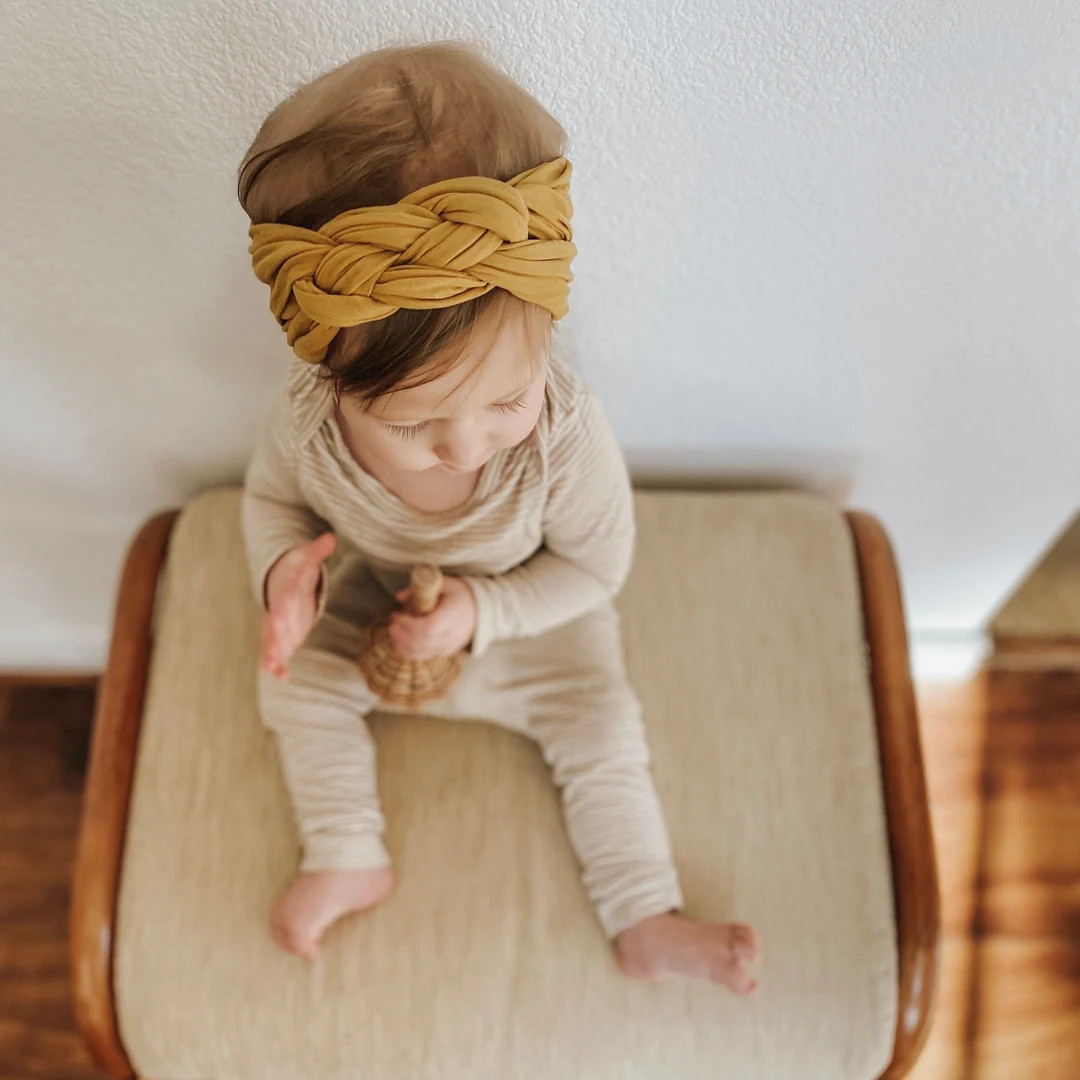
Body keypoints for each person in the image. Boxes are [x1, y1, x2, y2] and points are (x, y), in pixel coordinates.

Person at [239, 40, 759, 993]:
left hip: (532, 609)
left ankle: (644, 914)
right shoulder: (307, 428)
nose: (468, 445)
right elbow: (272, 501)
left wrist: (481, 617)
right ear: (332, 376)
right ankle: (347, 851)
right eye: (415, 422)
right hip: (375, 593)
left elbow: (596, 571)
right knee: (290, 687)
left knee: (602, 724)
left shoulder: (564, 434)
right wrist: (287, 578)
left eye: (504, 400)